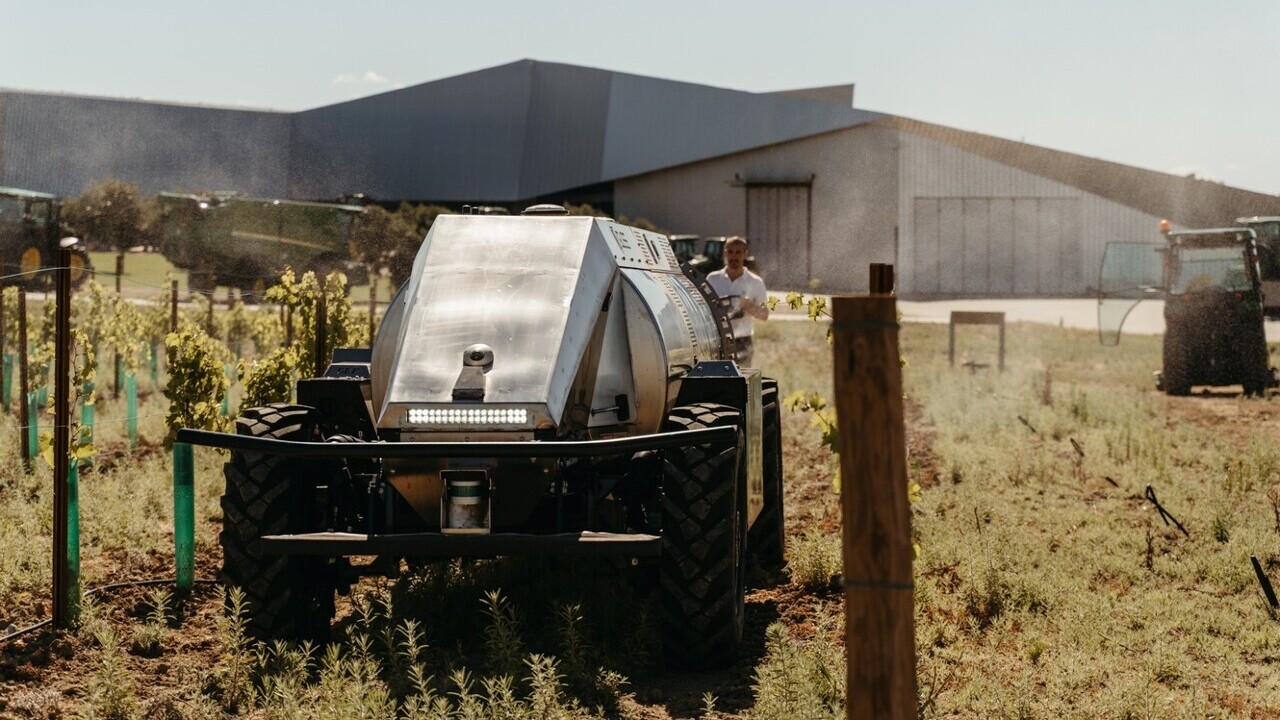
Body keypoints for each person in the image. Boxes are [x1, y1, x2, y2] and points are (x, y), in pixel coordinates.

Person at [705, 236, 768, 366]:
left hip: (742, 341)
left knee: (741, 383)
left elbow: (764, 315)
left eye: (738, 252)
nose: (734, 257)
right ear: (725, 253)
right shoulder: (712, 279)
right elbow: (703, 311)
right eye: (730, 252)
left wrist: (748, 306)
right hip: (717, 341)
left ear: (745, 254)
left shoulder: (755, 282)